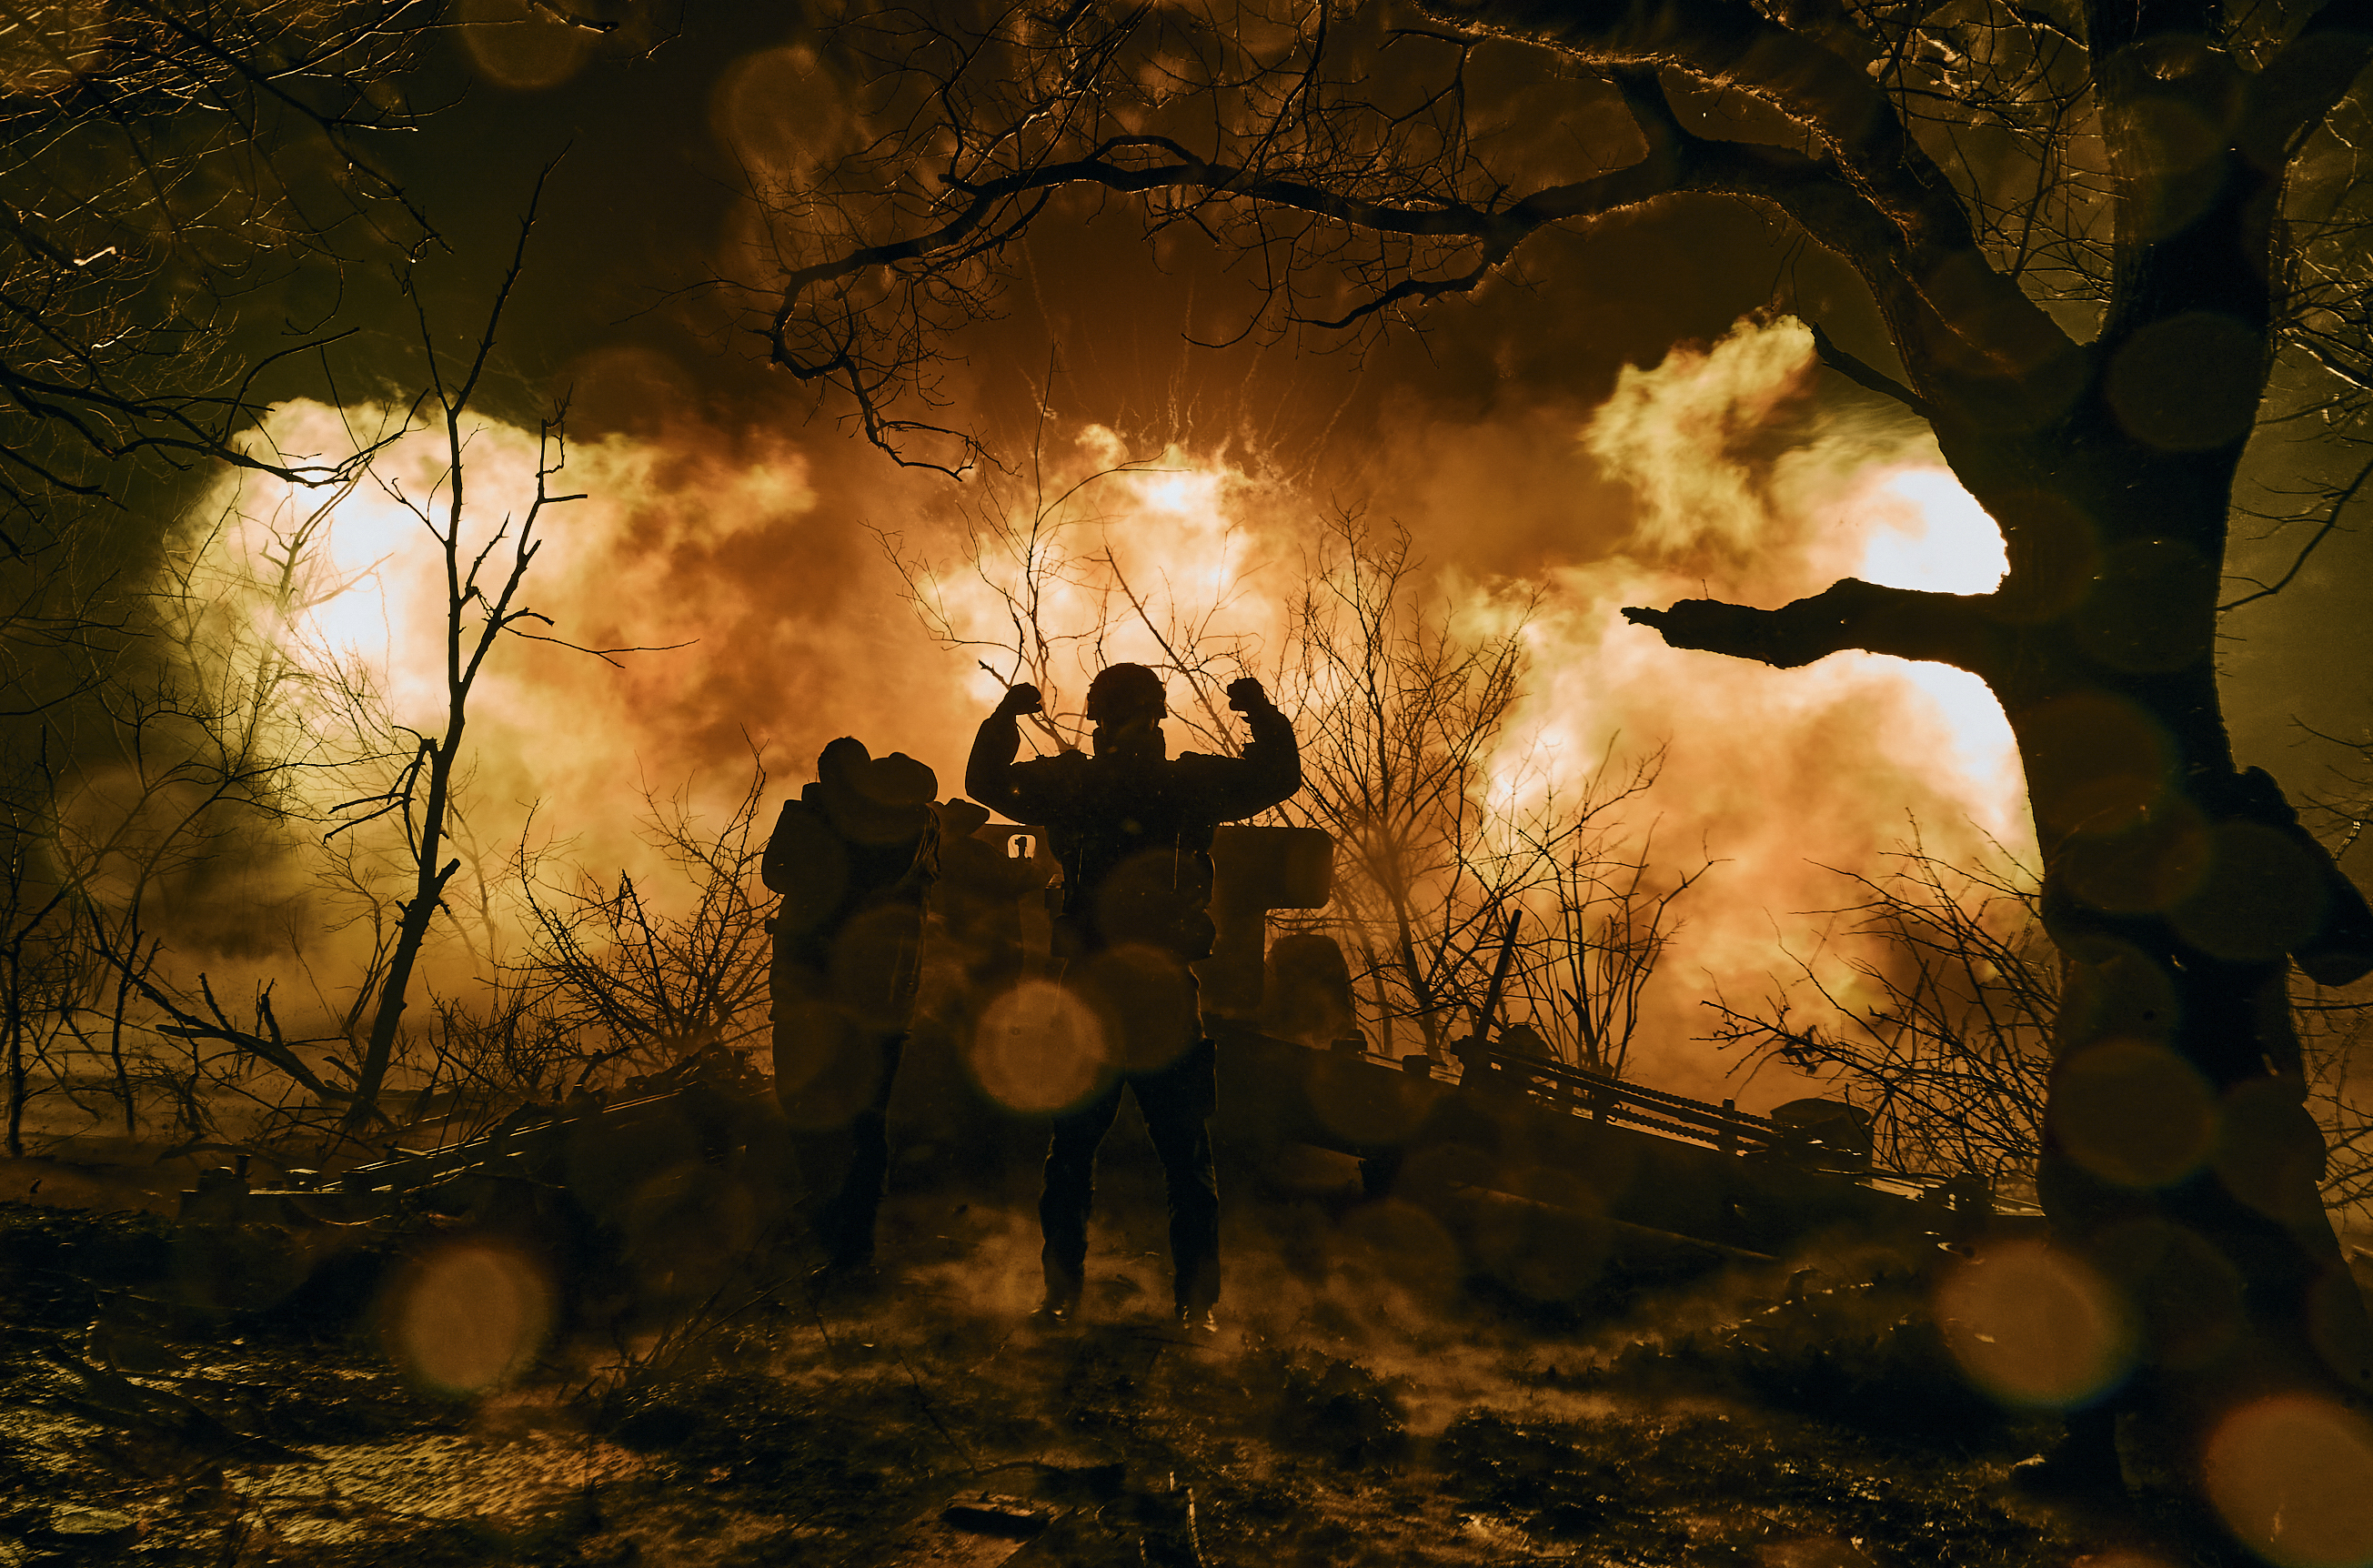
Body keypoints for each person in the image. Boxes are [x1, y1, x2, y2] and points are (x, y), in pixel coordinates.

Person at [967, 663, 1301, 1332]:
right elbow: (1275, 777)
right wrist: (1261, 715)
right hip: (1149, 992)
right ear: (1157, 716)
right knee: (1173, 1159)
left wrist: (1004, 720)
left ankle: (1076, 1297)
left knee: (1093, 1157)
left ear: (1098, 718)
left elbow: (986, 783)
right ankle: (1187, 1306)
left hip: (1107, 989)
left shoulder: (1078, 786)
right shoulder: (1187, 787)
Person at [763, 737, 940, 1272]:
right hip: (849, 998)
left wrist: (817, 816)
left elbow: (804, 876)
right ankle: (842, 1238)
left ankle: (845, 1243)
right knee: (838, 1120)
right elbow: (779, 873)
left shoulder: (905, 827)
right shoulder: (896, 825)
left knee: (847, 1122)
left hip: (853, 1000)